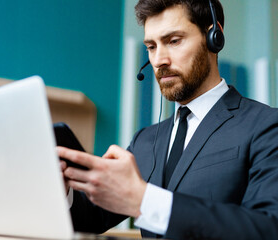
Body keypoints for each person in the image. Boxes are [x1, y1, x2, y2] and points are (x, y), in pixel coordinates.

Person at [57, 0, 278, 239]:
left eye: (173, 41)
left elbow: (268, 227)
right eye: (151, 46)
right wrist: (64, 188)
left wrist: (144, 200)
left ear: (215, 36)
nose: (159, 60)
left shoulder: (266, 125)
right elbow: (92, 216)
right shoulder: (145, 140)